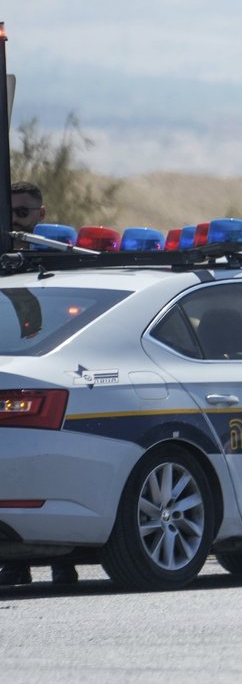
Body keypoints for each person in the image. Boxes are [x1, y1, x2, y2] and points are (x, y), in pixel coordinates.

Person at [0, 181, 79, 587]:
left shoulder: (63, 266)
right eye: (10, 212)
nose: (15, 221)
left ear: (42, 215)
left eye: (24, 213)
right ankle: (16, 563)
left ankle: (63, 562)